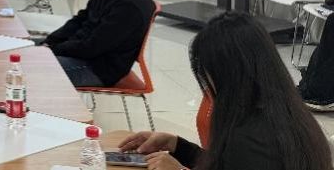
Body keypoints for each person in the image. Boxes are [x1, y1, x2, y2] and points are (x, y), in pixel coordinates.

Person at [119, 11, 332, 170]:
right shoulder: (283, 111)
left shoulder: (251, 136)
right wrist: (175, 145)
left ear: (227, 76)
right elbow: (227, 164)